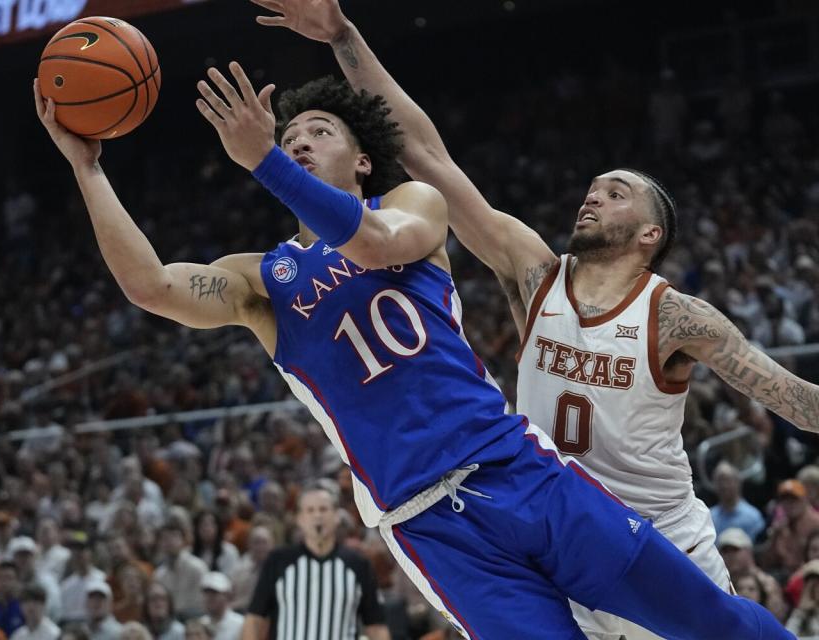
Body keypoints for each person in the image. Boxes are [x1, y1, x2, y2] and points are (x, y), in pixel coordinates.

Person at [34, 60, 792, 639]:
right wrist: (87, 167)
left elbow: (370, 242)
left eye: (317, 135)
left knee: (705, 618)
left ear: (361, 161)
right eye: (288, 140)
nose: (297, 144)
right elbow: (149, 285)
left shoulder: (408, 208)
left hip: (517, 469)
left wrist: (263, 158)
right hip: (429, 521)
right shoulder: (261, 282)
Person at [250, 0, 819, 636]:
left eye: (616, 191)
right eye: (593, 187)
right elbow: (425, 156)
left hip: (658, 541)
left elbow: (795, 399)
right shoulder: (535, 276)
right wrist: (343, 37)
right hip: (553, 538)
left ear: (650, 233)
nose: (593, 195)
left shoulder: (675, 316)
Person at [244, 482, 388, 640]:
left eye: (323, 509)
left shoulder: (359, 565)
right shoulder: (278, 561)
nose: (317, 515)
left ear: (337, 517)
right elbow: (255, 619)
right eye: (310, 510)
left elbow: (376, 626)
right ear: (299, 519)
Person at [716, 528, 787, 621]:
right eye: (725, 551)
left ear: (748, 551)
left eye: (735, 550)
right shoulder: (718, 581)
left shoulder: (766, 583)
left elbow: (777, 617)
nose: (730, 555)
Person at [761, 479, 819, 575]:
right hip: (787, 577)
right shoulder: (780, 527)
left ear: (804, 500)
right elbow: (766, 563)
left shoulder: (816, 523)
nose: (789, 504)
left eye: (794, 499)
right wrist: (774, 537)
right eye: (785, 500)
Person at [711, 461, 766, 540]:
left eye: (727, 480)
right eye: (720, 481)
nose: (724, 485)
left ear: (738, 482)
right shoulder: (710, 518)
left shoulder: (752, 516)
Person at [196, 572, 243, 640]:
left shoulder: (240, 624)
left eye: (214, 593)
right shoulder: (200, 624)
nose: (209, 597)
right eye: (206, 593)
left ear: (227, 595)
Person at [786, 559, 819, 638]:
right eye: (813, 585)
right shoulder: (801, 613)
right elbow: (787, 636)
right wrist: (801, 611)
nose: (816, 588)